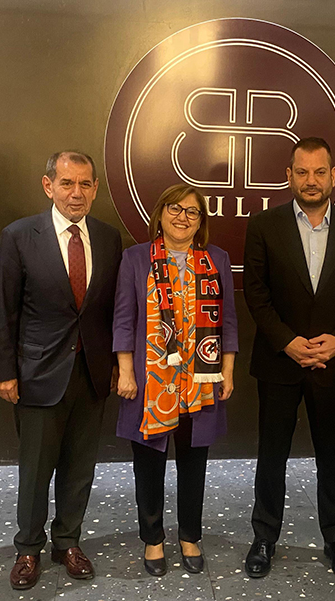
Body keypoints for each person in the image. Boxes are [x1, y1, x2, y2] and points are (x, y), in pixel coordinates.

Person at [242, 137, 335, 580]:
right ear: (289, 176)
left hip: (332, 362)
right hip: (280, 360)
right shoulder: (264, 225)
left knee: (332, 456)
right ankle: (264, 537)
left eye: (319, 172)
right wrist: (288, 342)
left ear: (334, 176)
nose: (311, 180)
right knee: (272, 454)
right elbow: (256, 294)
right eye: (302, 172)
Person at [0, 151, 122, 590]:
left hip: (91, 372)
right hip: (38, 373)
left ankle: (67, 541)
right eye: (67, 183)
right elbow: (4, 310)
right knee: (35, 469)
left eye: (85, 184)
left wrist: (114, 364)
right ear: (49, 186)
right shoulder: (19, 236)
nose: (76, 193)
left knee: (80, 467)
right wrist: (5, 371)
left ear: (95, 189)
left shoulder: (108, 238)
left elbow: (110, 309)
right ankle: (28, 548)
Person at [113, 184, 237, 576]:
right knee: (149, 464)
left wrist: (227, 370)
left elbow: (228, 320)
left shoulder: (216, 259)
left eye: (192, 212)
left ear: (201, 221)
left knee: (193, 462)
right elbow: (124, 318)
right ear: (160, 212)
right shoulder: (136, 259)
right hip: (151, 381)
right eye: (175, 209)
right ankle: (153, 539)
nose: (183, 217)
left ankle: (189, 536)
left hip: (200, 378)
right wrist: (125, 371)